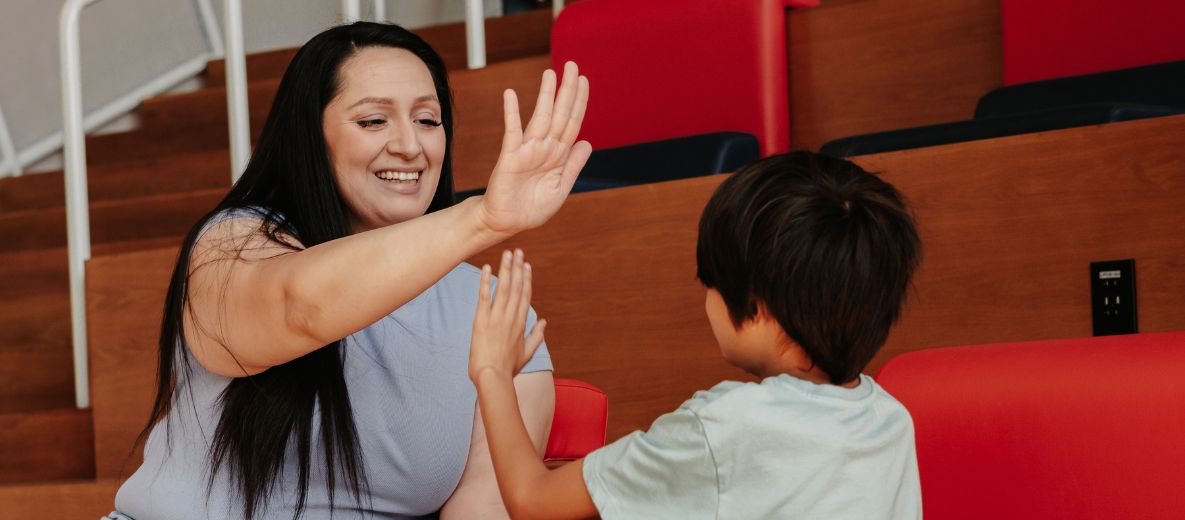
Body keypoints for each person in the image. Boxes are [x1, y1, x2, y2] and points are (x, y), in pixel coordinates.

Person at [109, 22, 591, 520]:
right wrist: (483, 216)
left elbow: (488, 504)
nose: (410, 145)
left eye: (428, 119)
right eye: (373, 121)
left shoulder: (495, 312)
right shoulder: (232, 246)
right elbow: (300, 308)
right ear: (312, 138)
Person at [468, 151, 924, 519]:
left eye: (711, 282)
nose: (705, 296)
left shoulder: (725, 427)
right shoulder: (890, 419)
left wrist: (492, 371)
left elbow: (534, 501)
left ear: (759, 310)